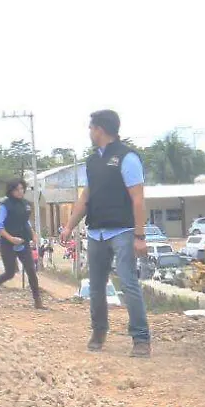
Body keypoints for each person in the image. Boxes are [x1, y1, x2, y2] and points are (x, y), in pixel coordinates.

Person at [61, 110, 150, 357]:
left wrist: (140, 236)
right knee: (97, 287)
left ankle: (141, 339)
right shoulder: (92, 162)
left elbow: (138, 199)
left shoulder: (127, 158)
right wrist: (69, 226)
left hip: (122, 231)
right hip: (96, 232)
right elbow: (85, 197)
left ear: (100, 129)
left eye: (91, 128)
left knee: (129, 283)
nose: (89, 132)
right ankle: (98, 332)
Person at [0, 178, 44, 309]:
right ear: (11, 191)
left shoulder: (26, 204)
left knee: (31, 270)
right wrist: (11, 239)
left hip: (23, 242)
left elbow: (25, 222)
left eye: (22, 189)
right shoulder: (5, 206)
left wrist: (33, 234)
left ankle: (37, 300)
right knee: (10, 272)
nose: (20, 191)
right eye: (17, 189)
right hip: (8, 243)